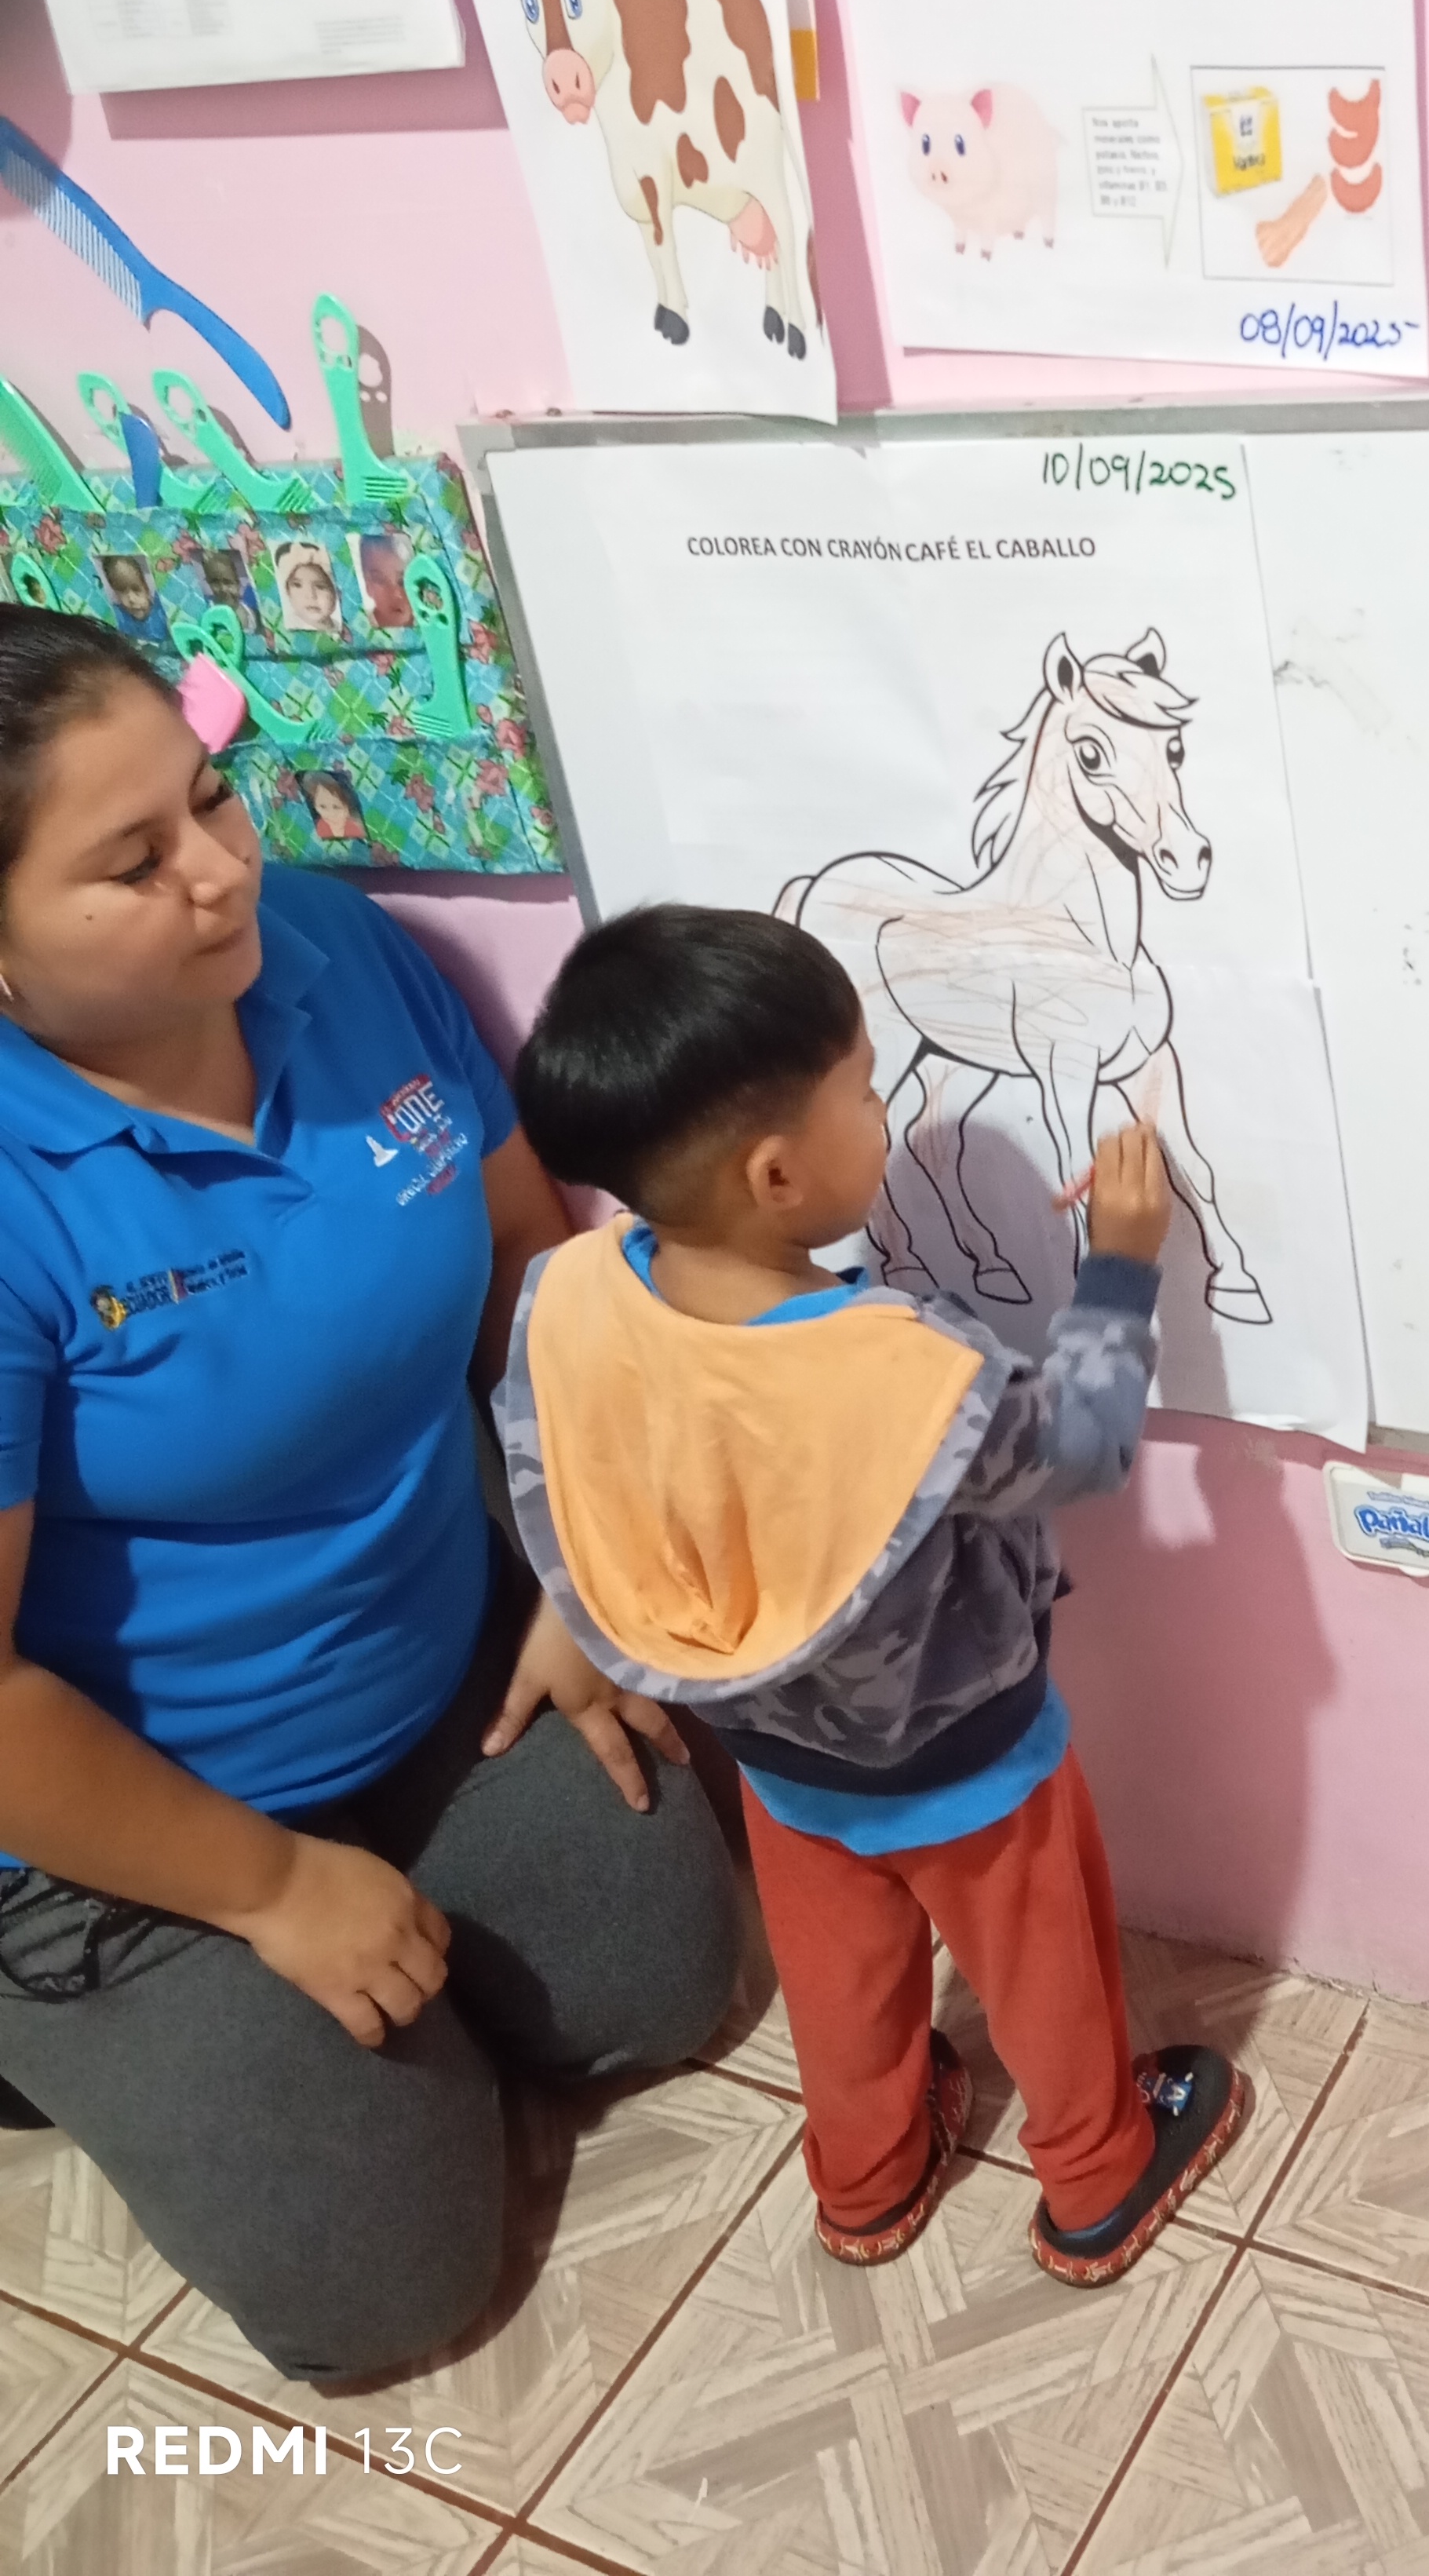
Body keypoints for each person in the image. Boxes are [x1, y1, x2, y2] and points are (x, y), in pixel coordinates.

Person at [0, 609, 738, 2383]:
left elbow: (525, 1272)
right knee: (386, 2289)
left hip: (427, 1663)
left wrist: (573, 1562)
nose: (221, 868)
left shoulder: (335, 947)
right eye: (132, 862)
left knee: (666, 1980)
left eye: (210, 796)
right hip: (125, 1817)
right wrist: (266, 1887)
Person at [503, 903, 1249, 2283]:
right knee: (1042, 1965)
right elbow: (1082, 1445)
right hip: (968, 1761)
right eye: (864, 1089)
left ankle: (867, 2180)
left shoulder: (577, 1295)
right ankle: (1098, 2173)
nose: (889, 1108)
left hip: (778, 1759)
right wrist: (1123, 1262)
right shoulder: (905, 1372)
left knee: (839, 1982)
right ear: (778, 1173)